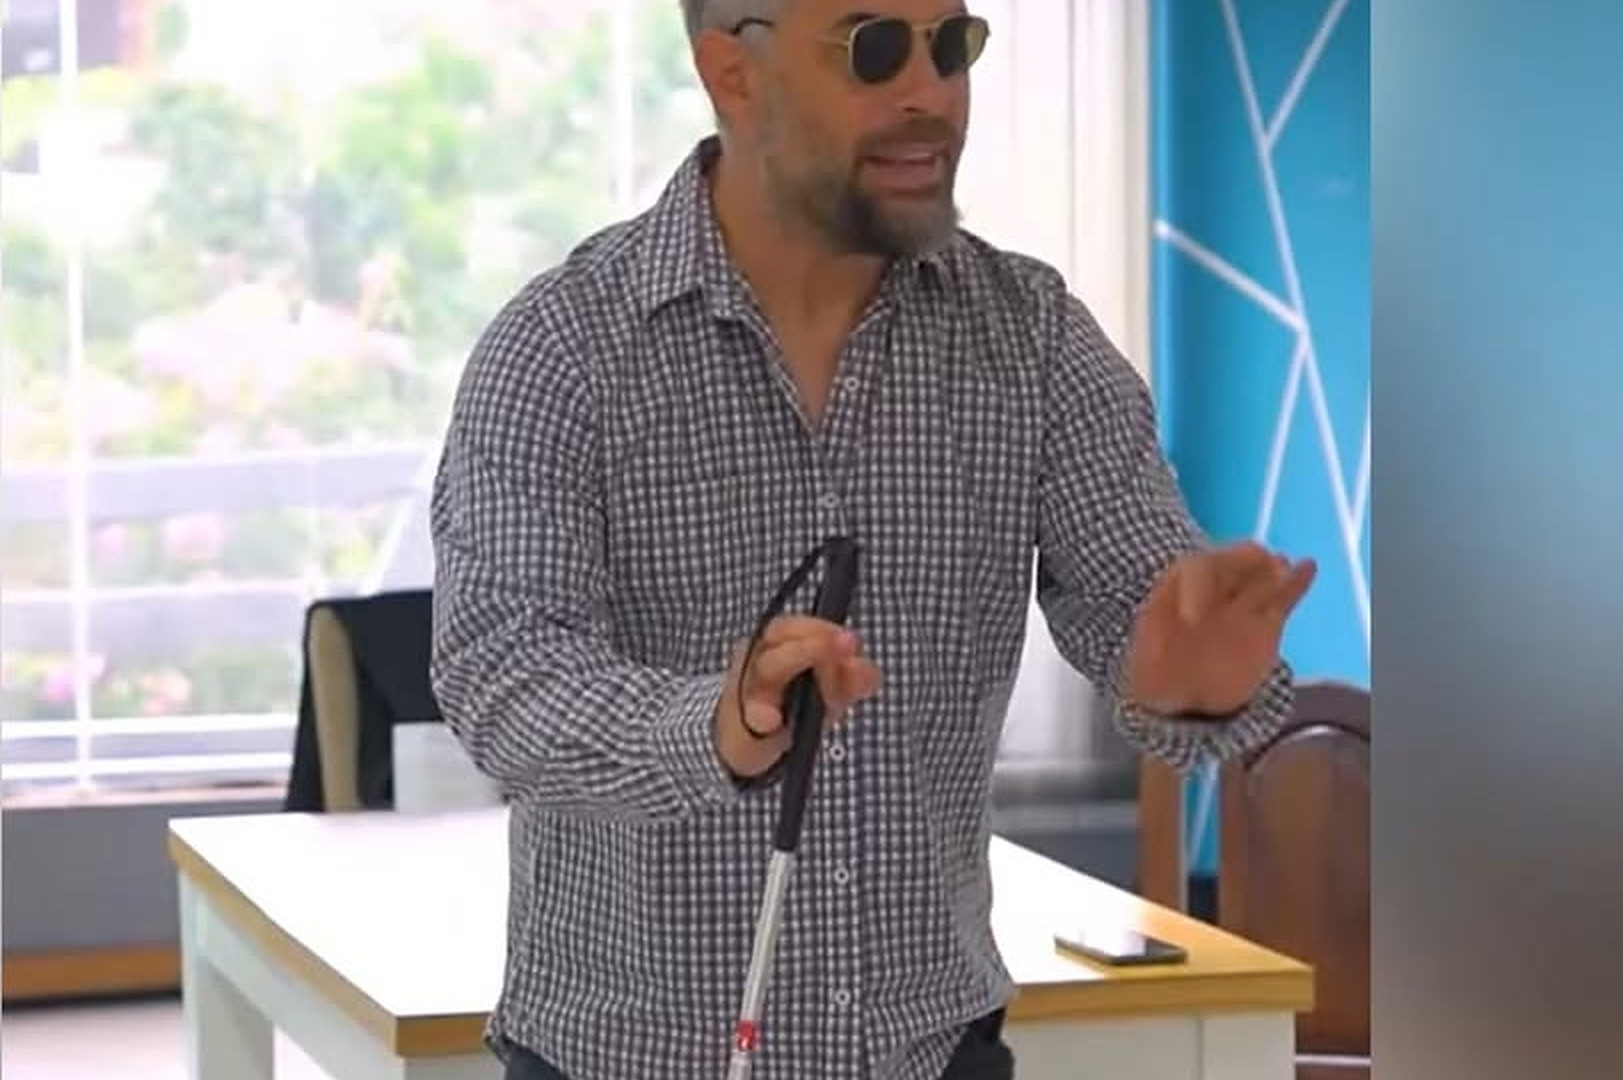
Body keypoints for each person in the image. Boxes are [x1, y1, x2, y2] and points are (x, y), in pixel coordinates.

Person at [427, 0, 1318, 1077]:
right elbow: (503, 676)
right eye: (874, 49)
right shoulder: (562, 348)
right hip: (625, 1057)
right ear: (732, 73)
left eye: (952, 46)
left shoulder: (1032, 338)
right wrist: (715, 725)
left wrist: (1191, 685)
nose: (931, 95)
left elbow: (1146, 602)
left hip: (930, 1053)